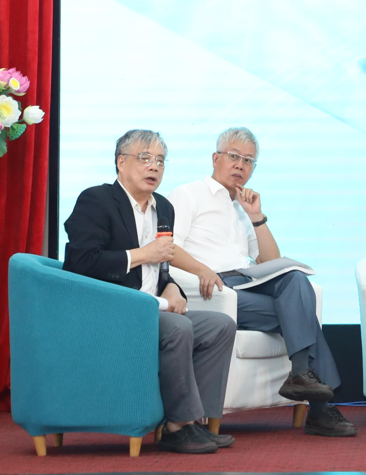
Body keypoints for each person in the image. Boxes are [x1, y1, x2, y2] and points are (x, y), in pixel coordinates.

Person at [167, 127, 357, 438]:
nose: (240, 165)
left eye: (248, 161)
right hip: (214, 288)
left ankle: (300, 374)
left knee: (294, 277)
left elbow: (269, 262)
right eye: (234, 156)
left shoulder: (243, 206)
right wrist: (202, 269)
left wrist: (256, 216)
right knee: (302, 316)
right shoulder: (188, 194)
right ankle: (320, 408)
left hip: (247, 282)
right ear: (215, 158)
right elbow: (169, 248)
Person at [62, 129, 237, 455]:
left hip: (152, 309)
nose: (154, 166)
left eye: (160, 160)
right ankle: (176, 426)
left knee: (220, 325)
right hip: (112, 311)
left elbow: (162, 266)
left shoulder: (164, 207)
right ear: (121, 162)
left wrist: (171, 286)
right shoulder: (96, 200)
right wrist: (142, 254)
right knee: (178, 327)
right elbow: (81, 262)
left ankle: (196, 420)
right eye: (145, 158)